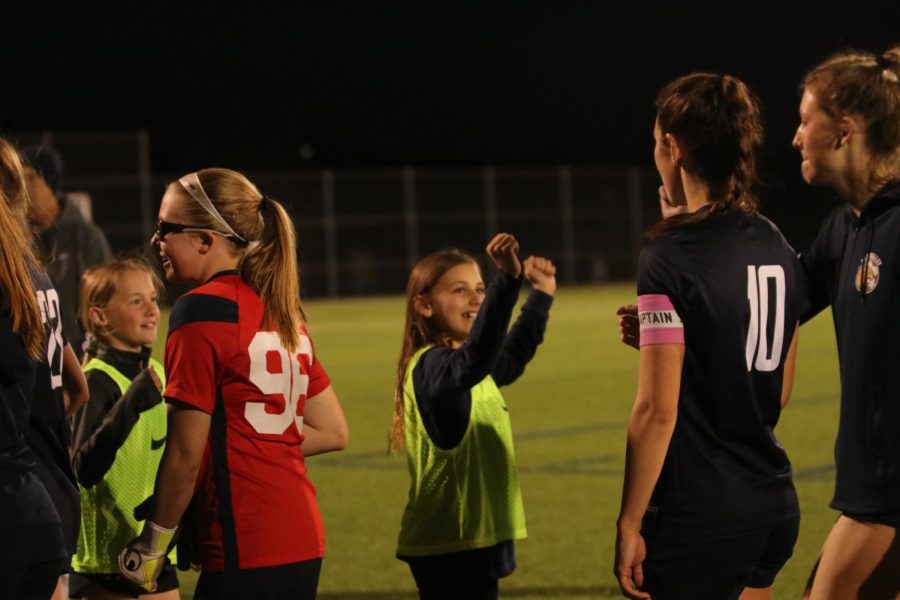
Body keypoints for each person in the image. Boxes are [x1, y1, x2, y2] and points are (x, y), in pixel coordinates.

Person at [613, 73, 804, 600]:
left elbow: (657, 411)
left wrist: (629, 523)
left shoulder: (667, 257)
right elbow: (773, 387)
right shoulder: (774, 241)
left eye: (656, 143)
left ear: (673, 148)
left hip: (698, 515)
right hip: (771, 504)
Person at [118, 168, 348, 600]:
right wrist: (249, 450)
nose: (155, 240)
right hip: (302, 536)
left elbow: (186, 453)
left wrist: (152, 545)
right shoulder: (281, 308)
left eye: (166, 228)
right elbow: (333, 430)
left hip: (247, 538)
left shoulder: (200, 310)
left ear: (206, 239)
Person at [389, 233, 557, 600]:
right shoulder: (433, 368)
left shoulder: (465, 366)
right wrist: (508, 281)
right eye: (460, 290)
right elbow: (477, 359)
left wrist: (540, 295)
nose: (477, 298)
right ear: (425, 305)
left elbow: (507, 360)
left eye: (481, 288)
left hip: (474, 539)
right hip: (450, 545)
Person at [791, 46, 900, 599]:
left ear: (844, 132)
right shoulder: (842, 229)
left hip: (886, 494)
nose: (795, 137)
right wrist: (676, 323)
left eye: (806, 120)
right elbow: (777, 303)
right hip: (870, 487)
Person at [0, 138, 90, 600]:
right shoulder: (32, 273)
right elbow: (77, 389)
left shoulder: (9, 280)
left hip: (15, 495)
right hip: (50, 489)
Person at [68, 258, 178, 600]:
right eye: (135, 301)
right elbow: (83, 468)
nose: (151, 310)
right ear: (100, 317)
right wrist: (130, 403)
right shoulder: (96, 380)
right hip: (108, 563)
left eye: (153, 299)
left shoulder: (154, 371)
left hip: (153, 550)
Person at [21, 145, 113, 358]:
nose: (23, 186)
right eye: (20, 178)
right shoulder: (15, 237)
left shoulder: (86, 237)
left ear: (50, 184)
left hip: (77, 360)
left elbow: (106, 300)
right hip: (32, 359)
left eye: (31, 178)